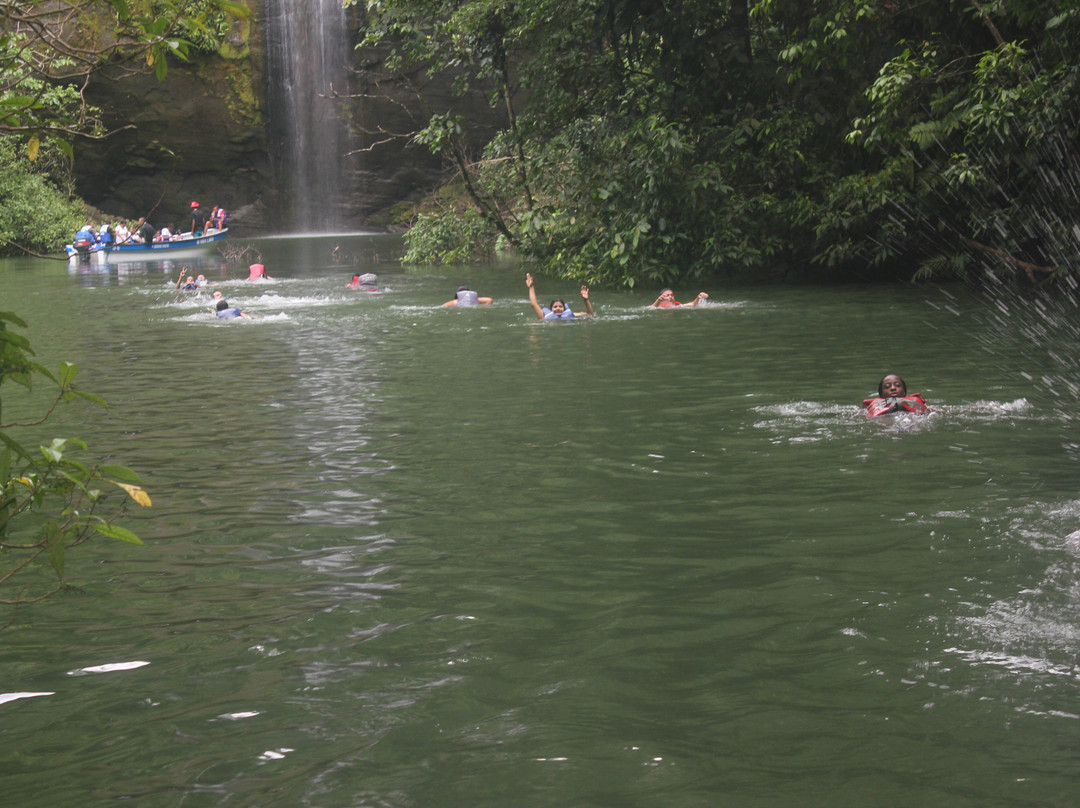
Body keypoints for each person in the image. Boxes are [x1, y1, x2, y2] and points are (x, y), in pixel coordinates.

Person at [526, 272, 593, 320]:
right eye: (555, 307)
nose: (558, 308)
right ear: (551, 309)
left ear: (564, 309)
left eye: (560, 306)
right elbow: (533, 304)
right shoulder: (544, 316)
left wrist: (585, 300)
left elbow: (589, 314)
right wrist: (531, 287)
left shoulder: (570, 314)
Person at [862, 374, 931, 417]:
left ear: (904, 392)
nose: (893, 388)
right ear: (881, 395)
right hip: (886, 420)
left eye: (897, 385)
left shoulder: (925, 406)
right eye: (887, 387)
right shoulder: (867, 410)